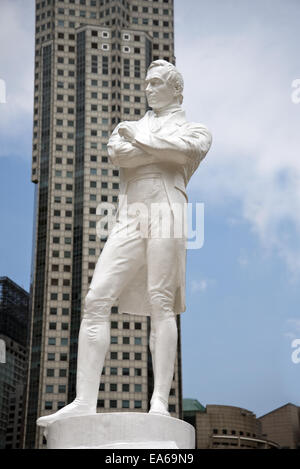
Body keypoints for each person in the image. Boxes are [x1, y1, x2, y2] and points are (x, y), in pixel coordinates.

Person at [37, 60, 212, 428]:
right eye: (146, 83)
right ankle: (84, 400)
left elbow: (182, 153)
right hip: (130, 212)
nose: (147, 89)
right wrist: (149, 146)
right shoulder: (130, 129)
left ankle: (160, 402)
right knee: (96, 297)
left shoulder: (195, 129)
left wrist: (139, 140)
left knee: (162, 303)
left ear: (176, 90)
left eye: (155, 83)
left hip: (168, 207)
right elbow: (119, 154)